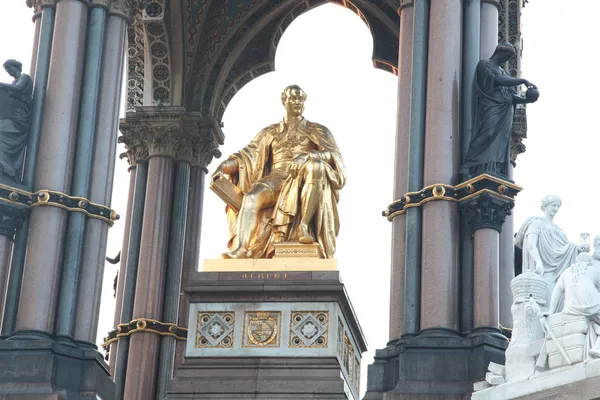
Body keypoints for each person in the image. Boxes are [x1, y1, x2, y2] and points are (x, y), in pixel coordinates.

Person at [211, 85, 346, 259]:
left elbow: (334, 155)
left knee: (317, 167)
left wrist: (308, 156)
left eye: (300, 99)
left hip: (302, 178)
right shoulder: (271, 132)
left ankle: (303, 226)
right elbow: (247, 155)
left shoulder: (317, 130)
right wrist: (223, 167)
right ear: (284, 101)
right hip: (274, 179)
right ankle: (242, 248)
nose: (297, 102)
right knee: (251, 198)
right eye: (293, 98)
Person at [461, 42, 538, 179]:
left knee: (501, 140)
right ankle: (469, 165)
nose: (507, 59)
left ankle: (494, 168)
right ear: (499, 52)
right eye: (507, 56)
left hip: (505, 109)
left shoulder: (504, 71)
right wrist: (523, 80)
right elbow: (498, 80)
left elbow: (512, 96)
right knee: (488, 133)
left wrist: (527, 100)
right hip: (492, 106)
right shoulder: (485, 64)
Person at [515, 195, 588, 305]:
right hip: (544, 270)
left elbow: (564, 248)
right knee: (548, 303)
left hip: (560, 270)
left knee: (562, 304)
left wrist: (578, 248)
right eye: (553, 205)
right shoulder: (536, 223)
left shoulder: (558, 229)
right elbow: (531, 244)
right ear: (545, 206)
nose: (556, 209)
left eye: (558, 206)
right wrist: (538, 262)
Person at [0, 59, 32, 182]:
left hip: (19, 118)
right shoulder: (13, 82)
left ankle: (7, 167)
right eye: (6, 69)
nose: (8, 71)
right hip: (10, 115)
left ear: (16, 67)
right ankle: (4, 164)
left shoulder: (25, 78)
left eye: (9, 68)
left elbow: (18, 89)